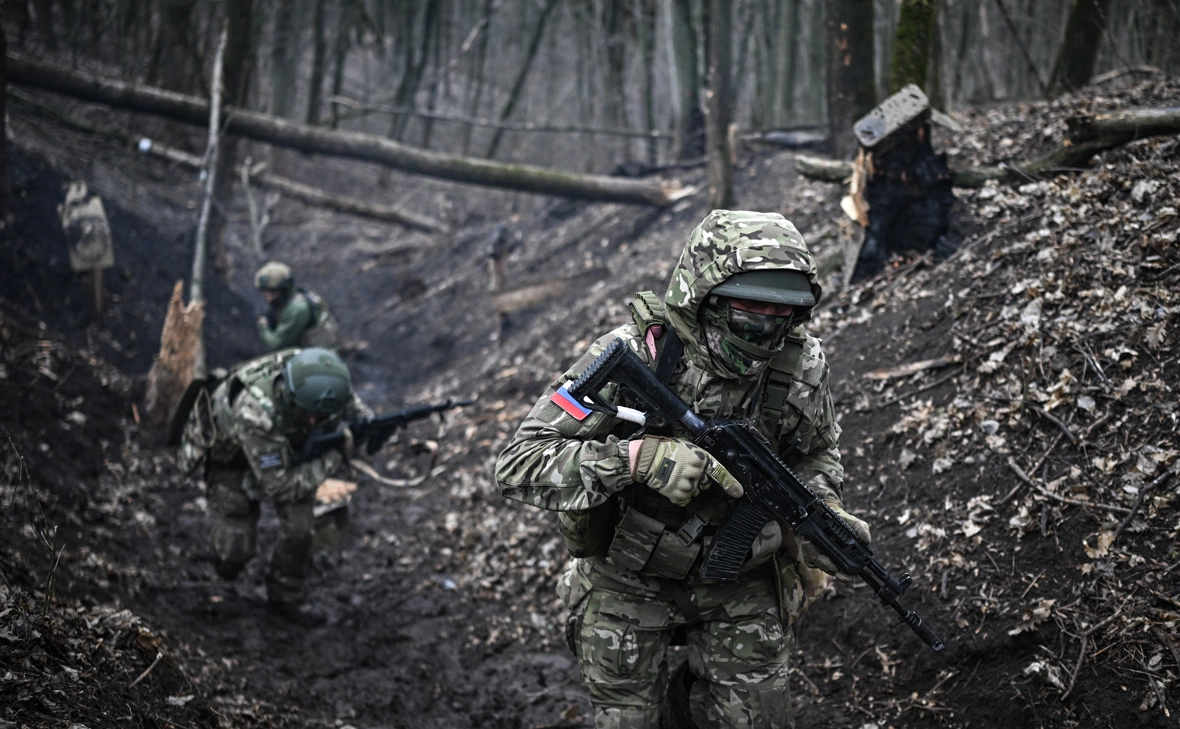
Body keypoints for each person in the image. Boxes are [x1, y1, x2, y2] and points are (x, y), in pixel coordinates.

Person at [495, 210, 871, 729]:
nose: (765, 324)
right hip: (628, 578)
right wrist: (633, 460)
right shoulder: (633, 354)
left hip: (742, 580)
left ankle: (689, 707)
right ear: (704, 296)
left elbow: (817, 452)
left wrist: (820, 509)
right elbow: (519, 462)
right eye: (750, 307)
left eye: (780, 311)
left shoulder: (799, 364)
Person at [178, 347, 372, 624]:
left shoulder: (325, 382)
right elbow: (280, 487)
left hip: (286, 449)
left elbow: (355, 410)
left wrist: (371, 425)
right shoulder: (255, 411)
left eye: (321, 415)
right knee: (236, 550)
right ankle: (227, 563)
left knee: (300, 529)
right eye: (309, 414)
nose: (316, 421)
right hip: (232, 457)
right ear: (290, 394)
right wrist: (339, 454)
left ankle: (285, 597)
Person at [254, 261, 342, 351]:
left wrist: (264, 326)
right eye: (265, 294)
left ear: (285, 289)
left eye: (273, 293)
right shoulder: (289, 301)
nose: (269, 299)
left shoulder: (298, 309)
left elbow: (276, 343)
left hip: (320, 357)